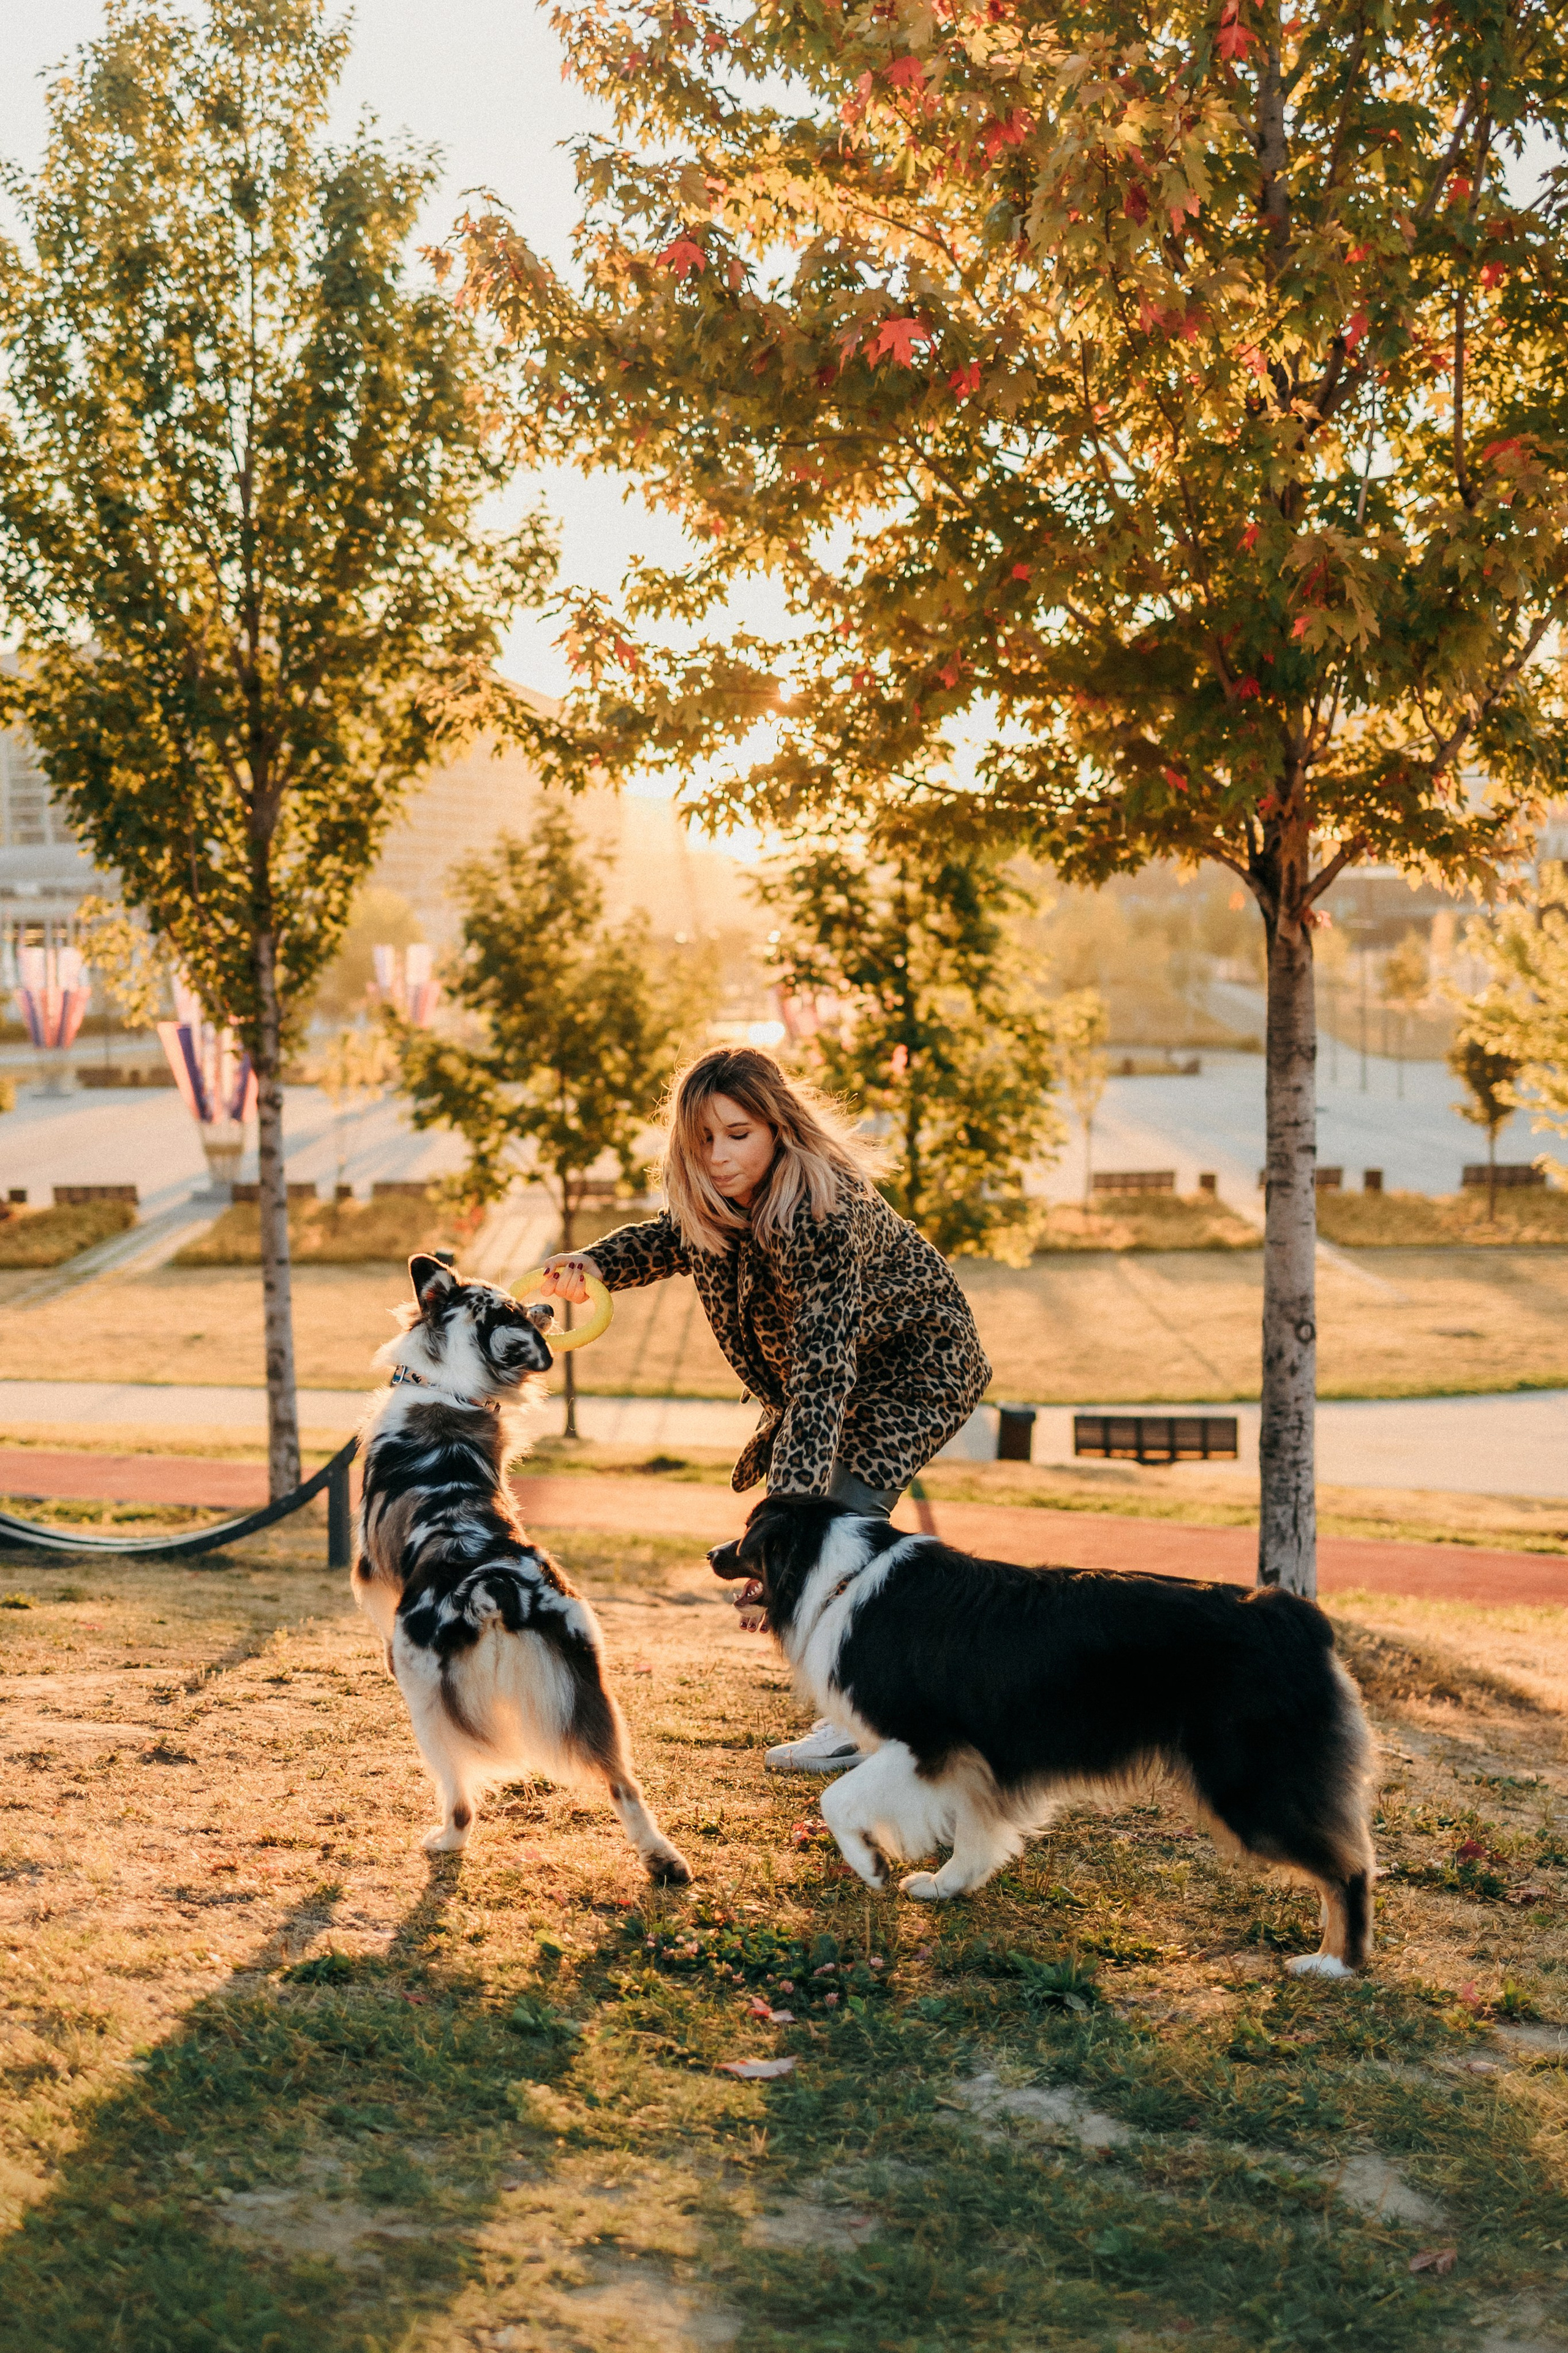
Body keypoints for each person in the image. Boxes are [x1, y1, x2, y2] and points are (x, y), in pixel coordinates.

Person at [537, 1044, 992, 1773]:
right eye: (702, 1137)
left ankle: (863, 1718)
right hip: (838, 1379)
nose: (718, 1155)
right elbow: (668, 1238)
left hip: (915, 1373)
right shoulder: (722, 1196)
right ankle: (896, 1697)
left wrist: (783, 1529)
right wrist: (597, 1264)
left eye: (738, 1134)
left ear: (779, 1126)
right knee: (828, 1540)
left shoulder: (823, 1213)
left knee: (839, 1531)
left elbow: (821, 1378)